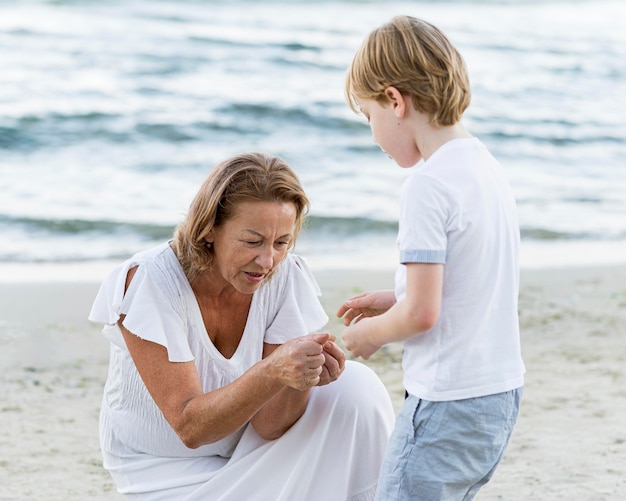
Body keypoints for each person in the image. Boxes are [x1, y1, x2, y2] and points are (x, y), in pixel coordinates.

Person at [89, 152, 395, 500]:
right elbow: (190, 427)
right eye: (252, 242)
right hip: (161, 472)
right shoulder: (150, 282)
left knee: (357, 388)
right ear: (208, 230)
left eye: (281, 242)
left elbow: (268, 426)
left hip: (248, 453)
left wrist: (300, 378)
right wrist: (273, 371)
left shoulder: (285, 276)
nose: (267, 261)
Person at [337, 16, 525, 500]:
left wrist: (367, 335)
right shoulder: (486, 167)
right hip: (498, 396)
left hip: (446, 402)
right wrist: (393, 296)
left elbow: (422, 314)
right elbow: (475, 278)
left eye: (369, 116)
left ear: (395, 101)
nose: (375, 136)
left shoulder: (426, 184)